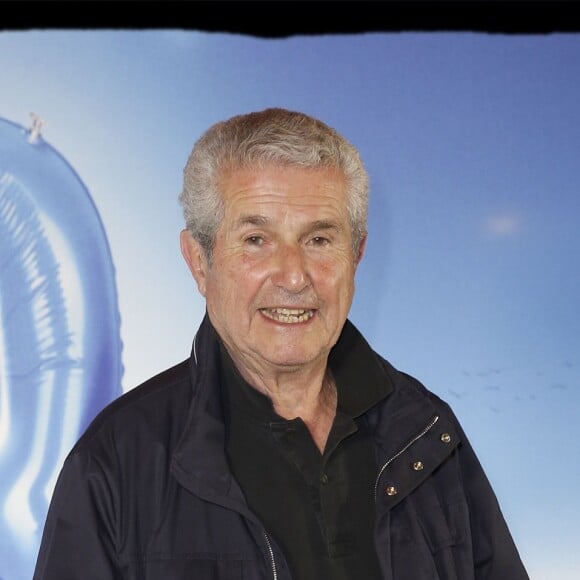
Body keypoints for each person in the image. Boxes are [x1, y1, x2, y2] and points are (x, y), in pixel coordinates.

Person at [33, 107, 529, 580]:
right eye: (256, 240)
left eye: (319, 240)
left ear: (356, 255)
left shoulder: (425, 431)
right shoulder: (115, 466)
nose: (294, 276)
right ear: (198, 261)